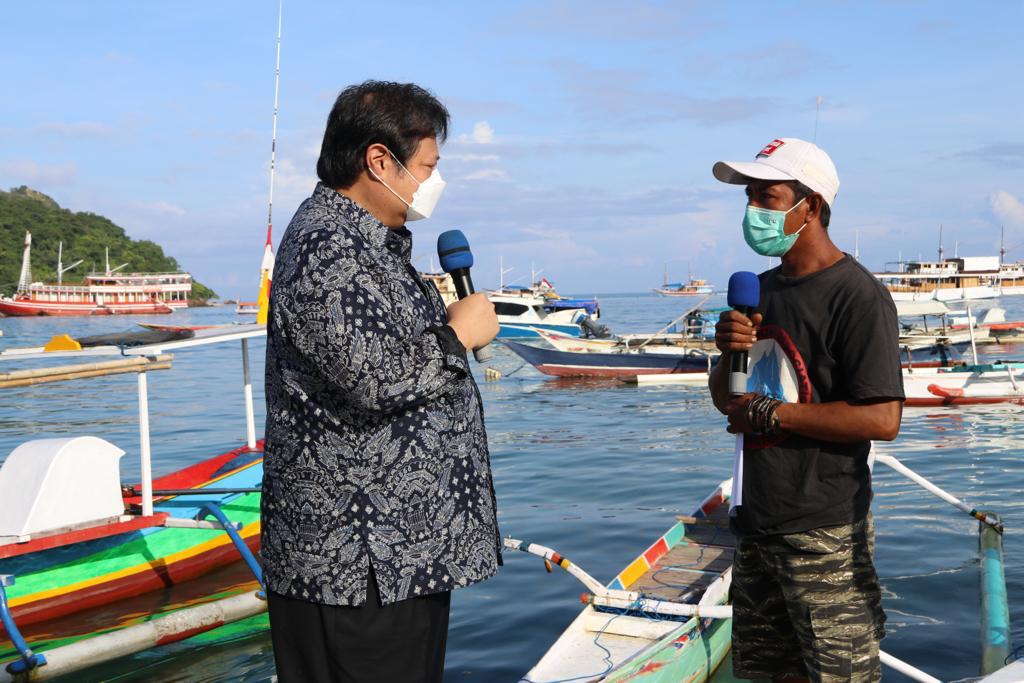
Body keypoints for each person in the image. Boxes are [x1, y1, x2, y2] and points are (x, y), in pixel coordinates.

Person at [261, 80, 501, 682]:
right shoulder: (325, 247)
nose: (431, 181)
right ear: (378, 160)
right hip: (354, 562)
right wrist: (457, 335)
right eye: (426, 165)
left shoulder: (369, 245)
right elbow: (374, 377)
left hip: (397, 555)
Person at [707, 137, 904, 682]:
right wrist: (728, 354)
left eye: (766, 198)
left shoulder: (856, 296)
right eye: (749, 198)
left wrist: (772, 415)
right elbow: (729, 402)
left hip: (824, 532)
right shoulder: (759, 291)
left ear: (809, 206)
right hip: (755, 524)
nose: (753, 212)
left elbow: (882, 419)